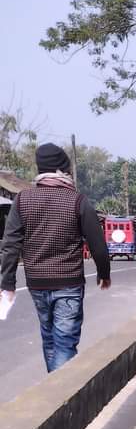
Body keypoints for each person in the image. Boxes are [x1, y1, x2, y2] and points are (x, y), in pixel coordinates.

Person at [0, 143, 111, 373]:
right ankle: (64, 402)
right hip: (68, 283)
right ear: (63, 169)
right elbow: (98, 244)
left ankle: (53, 390)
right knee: (64, 342)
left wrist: (7, 282)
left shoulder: (23, 200)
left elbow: (10, 245)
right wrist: (104, 273)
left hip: (37, 283)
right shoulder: (77, 201)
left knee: (49, 339)